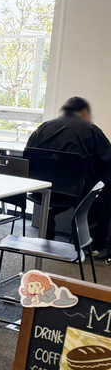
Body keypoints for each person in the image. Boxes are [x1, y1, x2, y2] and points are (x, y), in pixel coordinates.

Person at [26, 96, 111, 254]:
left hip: (42, 190)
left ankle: (47, 231)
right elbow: (107, 162)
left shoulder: (42, 128)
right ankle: (95, 243)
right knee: (105, 187)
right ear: (84, 112)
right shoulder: (91, 131)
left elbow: (28, 157)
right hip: (76, 192)